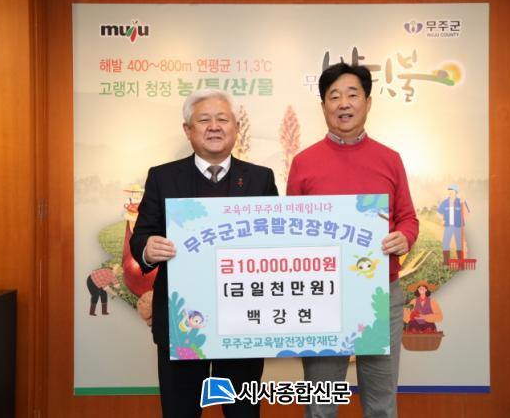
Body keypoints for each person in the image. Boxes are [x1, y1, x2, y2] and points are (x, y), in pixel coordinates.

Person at [130, 89, 279, 417]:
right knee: (180, 411)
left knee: (242, 413)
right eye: (204, 120)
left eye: (222, 119)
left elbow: (275, 243)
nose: (214, 127)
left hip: (242, 321)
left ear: (236, 127)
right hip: (182, 323)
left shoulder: (260, 179)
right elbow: (140, 237)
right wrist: (148, 248)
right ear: (188, 129)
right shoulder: (162, 177)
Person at [287, 63, 419, 418]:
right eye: (334, 96)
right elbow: (291, 230)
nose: (343, 103)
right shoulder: (303, 163)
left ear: (368, 102)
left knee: (381, 404)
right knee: (321, 405)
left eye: (352, 95)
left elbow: (408, 217)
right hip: (321, 295)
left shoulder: (390, 159)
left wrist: (404, 237)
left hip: (381, 293)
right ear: (323, 106)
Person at [437, 184, 470, 264]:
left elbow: (466, 214)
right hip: (448, 226)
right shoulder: (445, 202)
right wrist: (442, 220)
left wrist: (464, 203)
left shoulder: (461, 201)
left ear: (456, 192)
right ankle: (446, 261)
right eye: (449, 191)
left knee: (459, 243)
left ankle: (460, 261)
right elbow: (439, 213)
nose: (450, 193)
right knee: (445, 242)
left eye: (451, 191)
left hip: (458, 226)